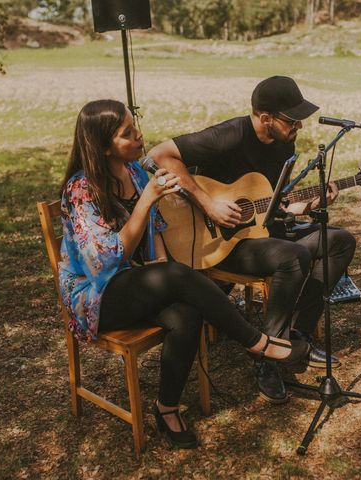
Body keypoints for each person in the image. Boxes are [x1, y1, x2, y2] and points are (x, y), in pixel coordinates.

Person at [58, 99, 312, 449]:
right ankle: (257, 342)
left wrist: (161, 263)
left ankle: (166, 408)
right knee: (176, 277)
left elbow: (157, 228)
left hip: (140, 282)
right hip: (97, 298)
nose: (139, 137)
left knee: (186, 312)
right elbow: (102, 263)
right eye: (127, 134)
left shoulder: (133, 171)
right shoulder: (81, 189)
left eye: (136, 127)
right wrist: (146, 201)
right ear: (103, 146)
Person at [148, 76, 356, 404]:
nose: (299, 125)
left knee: (340, 240)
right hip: (218, 242)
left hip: (260, 234)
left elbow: (274, 204)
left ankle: (297, 337)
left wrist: (312, 204)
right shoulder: (229, 136)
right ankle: (268, 357)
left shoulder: (283, 144)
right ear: (265, 119)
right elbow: (160, 154)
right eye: (291, 119)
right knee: (292, 256)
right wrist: (209, 204)